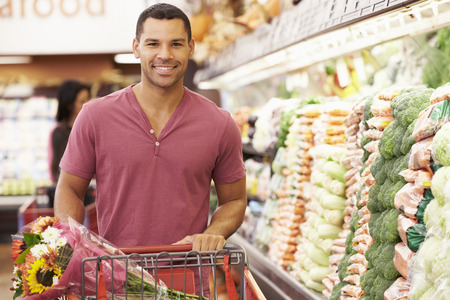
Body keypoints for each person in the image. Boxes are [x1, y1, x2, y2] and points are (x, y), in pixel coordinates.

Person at [54, 3, 247, 295]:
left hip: (187, 283)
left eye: (176, 44)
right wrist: (73, 240)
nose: (164, 54)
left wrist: (213, 233)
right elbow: (69, 188)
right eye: (153, 43)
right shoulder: (95, 116)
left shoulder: (219, 124)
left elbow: (234, 200)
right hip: (113, 278)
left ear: (191, 48)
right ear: (136, 47)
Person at [48, 80, 90, 184]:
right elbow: (56, 168)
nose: (87, 105)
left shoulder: (91, 129)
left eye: (88, 100)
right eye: (82, 101)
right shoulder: (58, 133)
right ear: (70, 105)